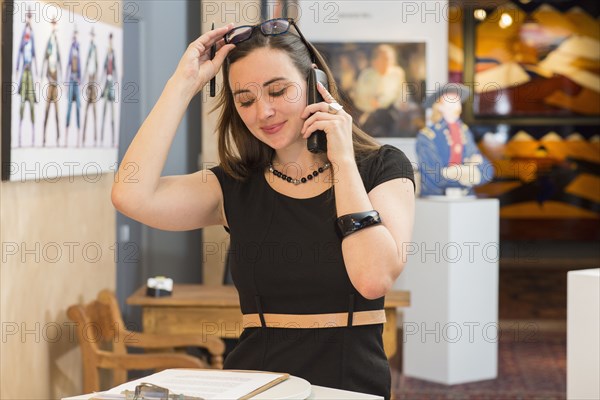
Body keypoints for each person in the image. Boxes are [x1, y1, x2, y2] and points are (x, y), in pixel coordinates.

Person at [112, 19, 415, 399]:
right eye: (246, 99)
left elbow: (373, 278)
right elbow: (131, 195)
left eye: (278, 90)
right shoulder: (234, 185)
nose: (264, 112)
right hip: (253, 385)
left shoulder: (383, 168)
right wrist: (182, 85)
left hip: (348, 385)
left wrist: (342, 161)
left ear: (314, 83)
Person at [416, 84, 493, 196]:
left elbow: (482, 165)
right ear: (439, 106)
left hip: (465, 196)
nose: (456, 105)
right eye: (451, 101)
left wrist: (476, 172)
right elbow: (433, 175)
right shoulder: (427, 136)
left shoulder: (465, 132)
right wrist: (462, 175)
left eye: (457, 101)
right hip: (437, 197)